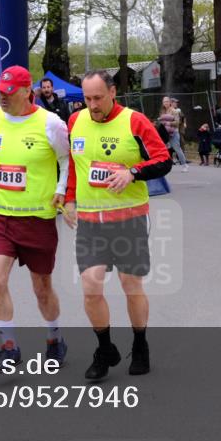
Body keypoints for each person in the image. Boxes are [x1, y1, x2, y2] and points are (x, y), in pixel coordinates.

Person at [63, 70, 172, 380]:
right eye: (87, 98)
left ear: (112, 92)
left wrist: (132, 173)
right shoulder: (75, 121)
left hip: (129, 219)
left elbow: (164, 159)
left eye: (98, 98)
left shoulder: (135, 121)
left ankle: (140, 344)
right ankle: (105, 348)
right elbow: (74, 165)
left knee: (129, 284)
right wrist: (68, 200)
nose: (93, 105)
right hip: (90, 221)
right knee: (91, 286)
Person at [0, 66, 70, 366]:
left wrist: (63, 191)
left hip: (37, 218)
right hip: (0, 215)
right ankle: (9, 346)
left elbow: (66, 159)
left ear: (26, 92)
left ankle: (55, 337)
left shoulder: (51, 123)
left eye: (9, 93)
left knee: (41, 288)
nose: (2, 98)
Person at [158, 97, 188, 172]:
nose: (166, 103)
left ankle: (184, 165)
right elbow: (161, 120)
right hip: (165, 133)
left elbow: (178, 122)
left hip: (173, 133)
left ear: (170, 102)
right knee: (163, 149)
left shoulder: (174, 111)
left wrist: (169, 123)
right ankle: (163, 165)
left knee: (177, 149)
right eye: (164, 102)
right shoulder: (162, 111)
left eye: (167, 101)